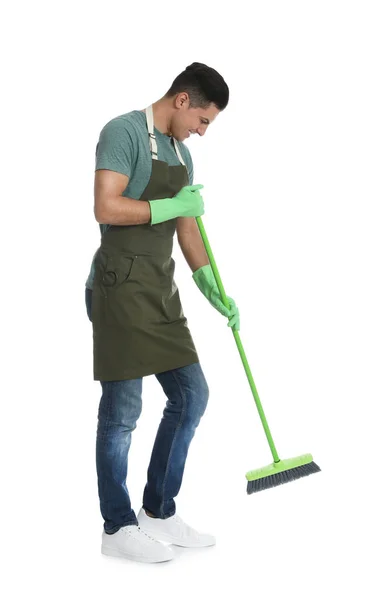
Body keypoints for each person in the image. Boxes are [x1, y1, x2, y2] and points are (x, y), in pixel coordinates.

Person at [85, 62, 240, 563]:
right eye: (203, 120)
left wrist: (210, 283)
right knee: (123, 414)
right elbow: (106, 206)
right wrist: (169, 208)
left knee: (192, 396)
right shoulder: (123, 132)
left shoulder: (182, 155)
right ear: (182, 100)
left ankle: (159, 508)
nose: (201, 132)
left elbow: (188, 229)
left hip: (159, 289)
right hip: (119, 288)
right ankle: (117, 526)